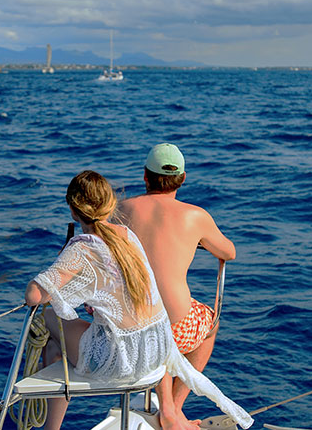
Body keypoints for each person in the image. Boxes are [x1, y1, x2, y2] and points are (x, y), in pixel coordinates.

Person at [26, 171, 251, 430]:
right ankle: (172, 409)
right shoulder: (127, 236)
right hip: (156, 353)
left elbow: (34, 295)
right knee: (57, 347)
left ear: (74, 212)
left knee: (51, 317)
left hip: (121, 360)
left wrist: (46, 277)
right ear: (109, 205)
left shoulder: (80, 248)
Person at [118, 143, 237, 422]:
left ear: (145, 176)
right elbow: (229, 252)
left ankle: (167, 406)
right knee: (210, 324)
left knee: (152, 320)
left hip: (125, 325)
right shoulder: (196, 216)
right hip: (174, 326)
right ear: (182, 179)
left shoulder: (121, 209)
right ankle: (173, 407)